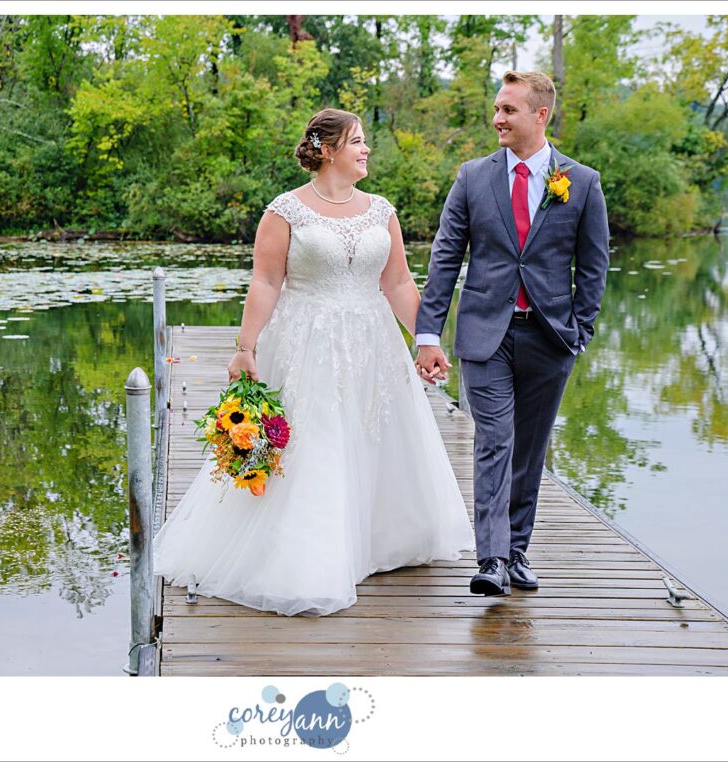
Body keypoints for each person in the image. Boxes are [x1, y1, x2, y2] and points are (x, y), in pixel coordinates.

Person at [152, 108, 475, 616]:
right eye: (357, 142)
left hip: (373, 342)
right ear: (327, 150)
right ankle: (313, 558)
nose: (366, 150)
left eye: (365, 142)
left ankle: (375, 543)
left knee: (375, 433)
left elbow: (396, 283)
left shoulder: (380, 210)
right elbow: (266, 281)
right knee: (317, 442)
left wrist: (426, 341)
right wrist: (245, 346)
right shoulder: (286, 211)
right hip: (308, 341)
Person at [415, 71, 609, 596]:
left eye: (508, 110)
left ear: (540, 115)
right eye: (497, 109)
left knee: (530, 450)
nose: (496, 118)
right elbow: (445, 258)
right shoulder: (472, 177)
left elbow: (593, 266)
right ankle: (492, 560)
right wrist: (427, 333)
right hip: (485, 335)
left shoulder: (581, 182)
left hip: (551, 338)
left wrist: (580, 330)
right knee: (495, 443)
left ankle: (518, 550)